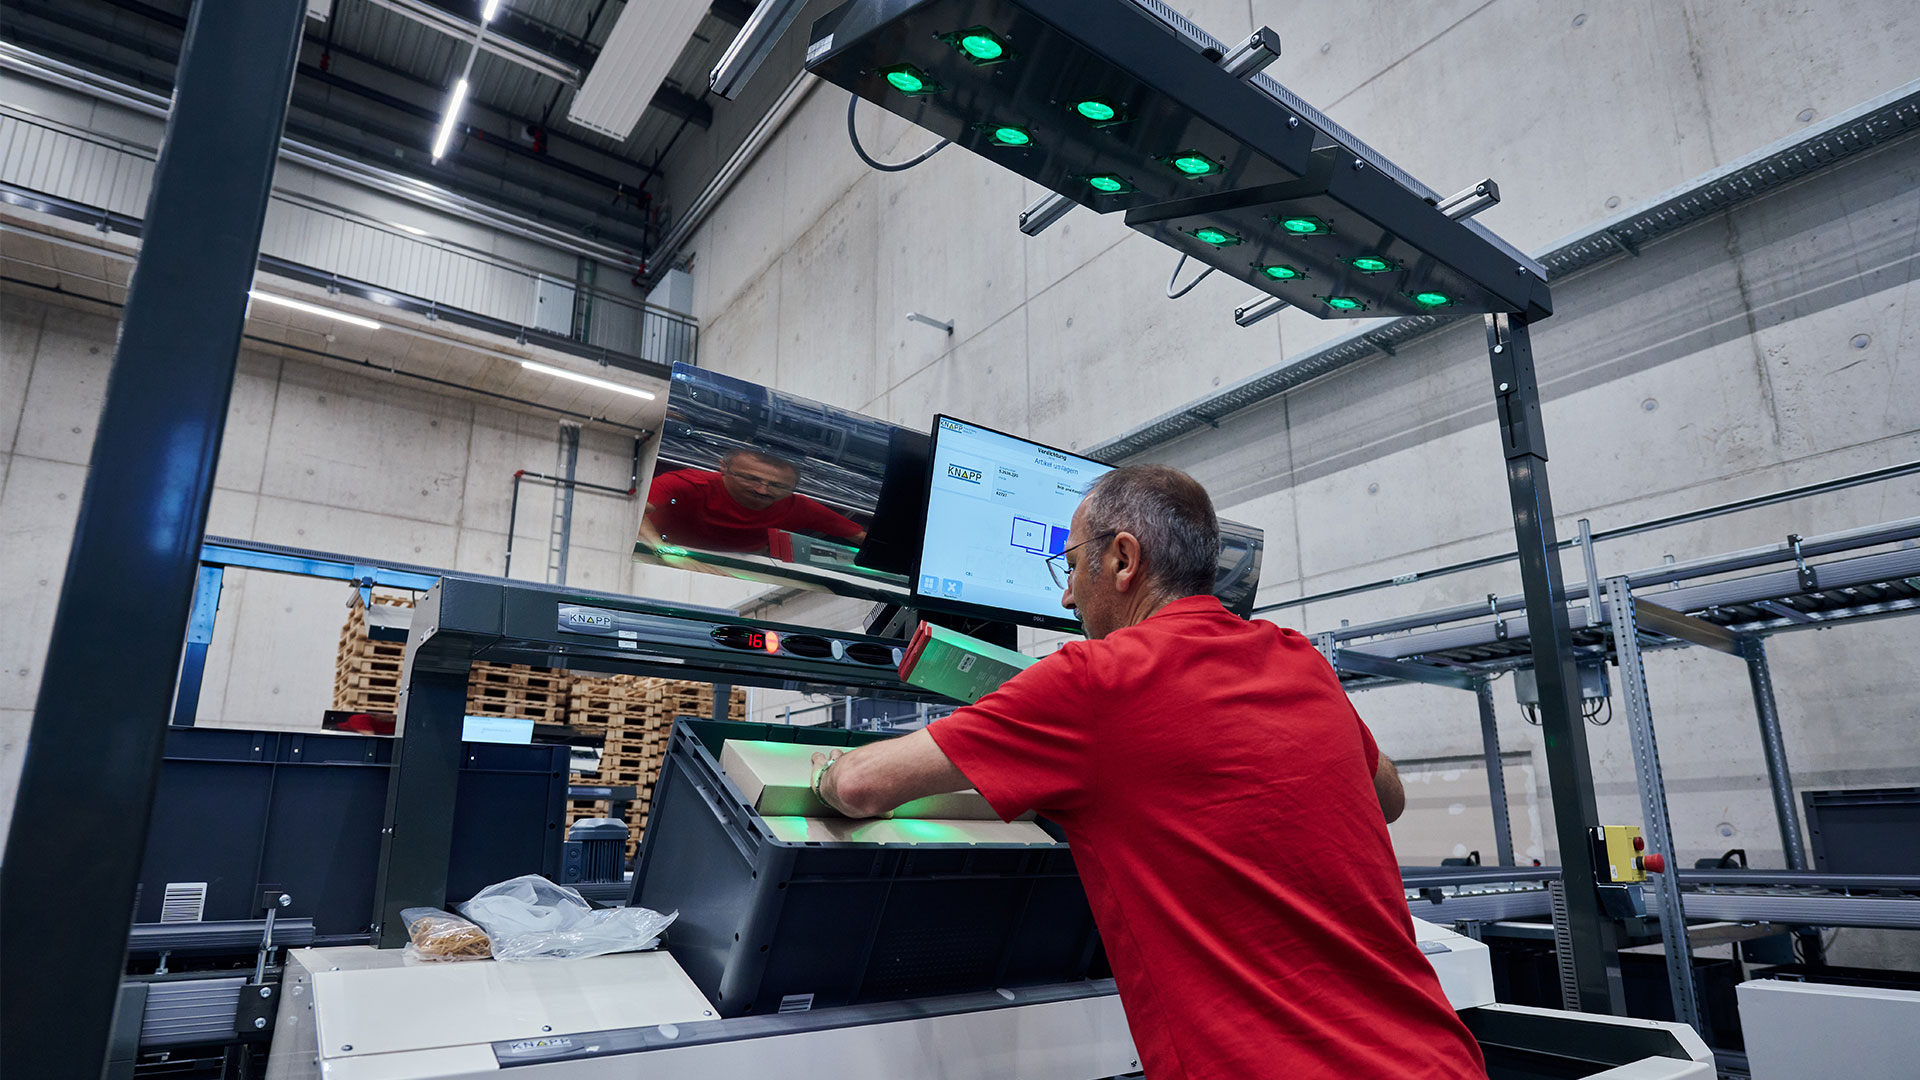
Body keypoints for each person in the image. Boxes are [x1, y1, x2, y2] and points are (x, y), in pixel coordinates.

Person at [807, 464, 1485, 1080]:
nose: (1068, 597)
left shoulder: (1096, 681)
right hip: (1439, 1059)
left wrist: (818, 774)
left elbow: (863, 784)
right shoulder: (1296, 657)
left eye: (1071, 566)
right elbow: (1386, 795)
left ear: (1123, 558)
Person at [641, 448, 867, 554]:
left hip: (744, 562)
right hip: (666, 553)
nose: (762, 490)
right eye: (750, 479)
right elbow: (638, 512)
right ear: (723, 469)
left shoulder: (798, 506)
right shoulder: (688, 482)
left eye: (778, 486)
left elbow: (859, 536)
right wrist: (662, 549)